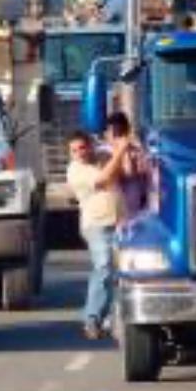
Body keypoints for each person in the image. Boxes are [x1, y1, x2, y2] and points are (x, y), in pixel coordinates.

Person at [67, 130, 129, 339]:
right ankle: (91, 319)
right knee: (103, 267)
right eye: (74, 150)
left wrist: (121, 145)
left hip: (120, 223)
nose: (79, 153)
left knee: (122, 273)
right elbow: (104, 179)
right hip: (97, 225)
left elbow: (125, 171)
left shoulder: (103, 157)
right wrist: (120, 151)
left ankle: (115, 318)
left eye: (82, 148)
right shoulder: (75, 171)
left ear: (91, 145)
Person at [105, 112, 149, 223]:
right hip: (111, 208)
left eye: (120, 133)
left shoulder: (137, 151)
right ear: (108, 133)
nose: (117, 138)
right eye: (114, 133)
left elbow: (135, 173)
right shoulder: (103, 152)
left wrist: (129, 154)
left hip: (133, 205)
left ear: (127, 131)